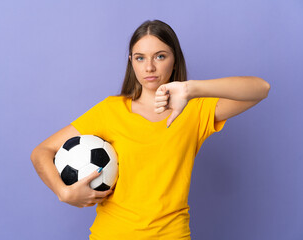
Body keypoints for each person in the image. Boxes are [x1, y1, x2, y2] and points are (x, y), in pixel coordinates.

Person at [30, 19, 270, 239]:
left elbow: (260, 88)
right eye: (140, 57)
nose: (149, 67)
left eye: (160, 56)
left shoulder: (194, 111)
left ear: (175, 59)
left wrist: (191, 89)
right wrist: (64, 192)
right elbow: (42, 151)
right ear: (131, 62)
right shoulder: (110, 110)